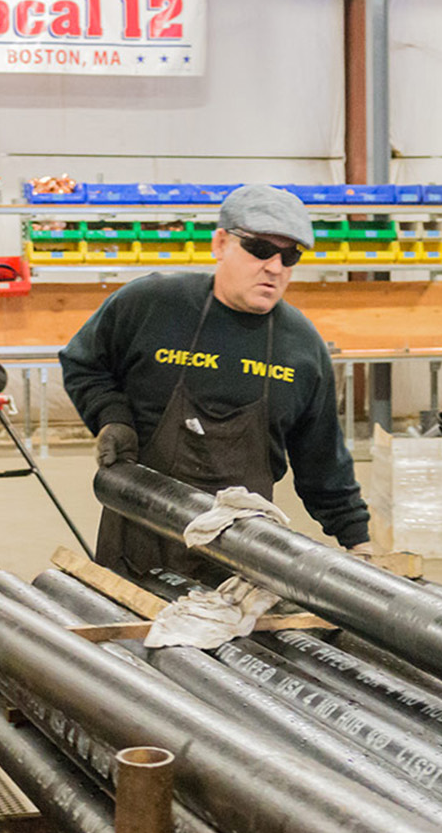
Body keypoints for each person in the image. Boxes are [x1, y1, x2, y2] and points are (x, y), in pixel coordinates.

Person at [60, 184, 371, 585]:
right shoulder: (150, 305)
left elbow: (323, 458)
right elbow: (83, 362)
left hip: (246, 554)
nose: (275, 267)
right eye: (260, 249)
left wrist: (357, 540)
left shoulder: (301, 348)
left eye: (290, 255)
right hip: (139, 542)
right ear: (220, 243)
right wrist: (111, 416)